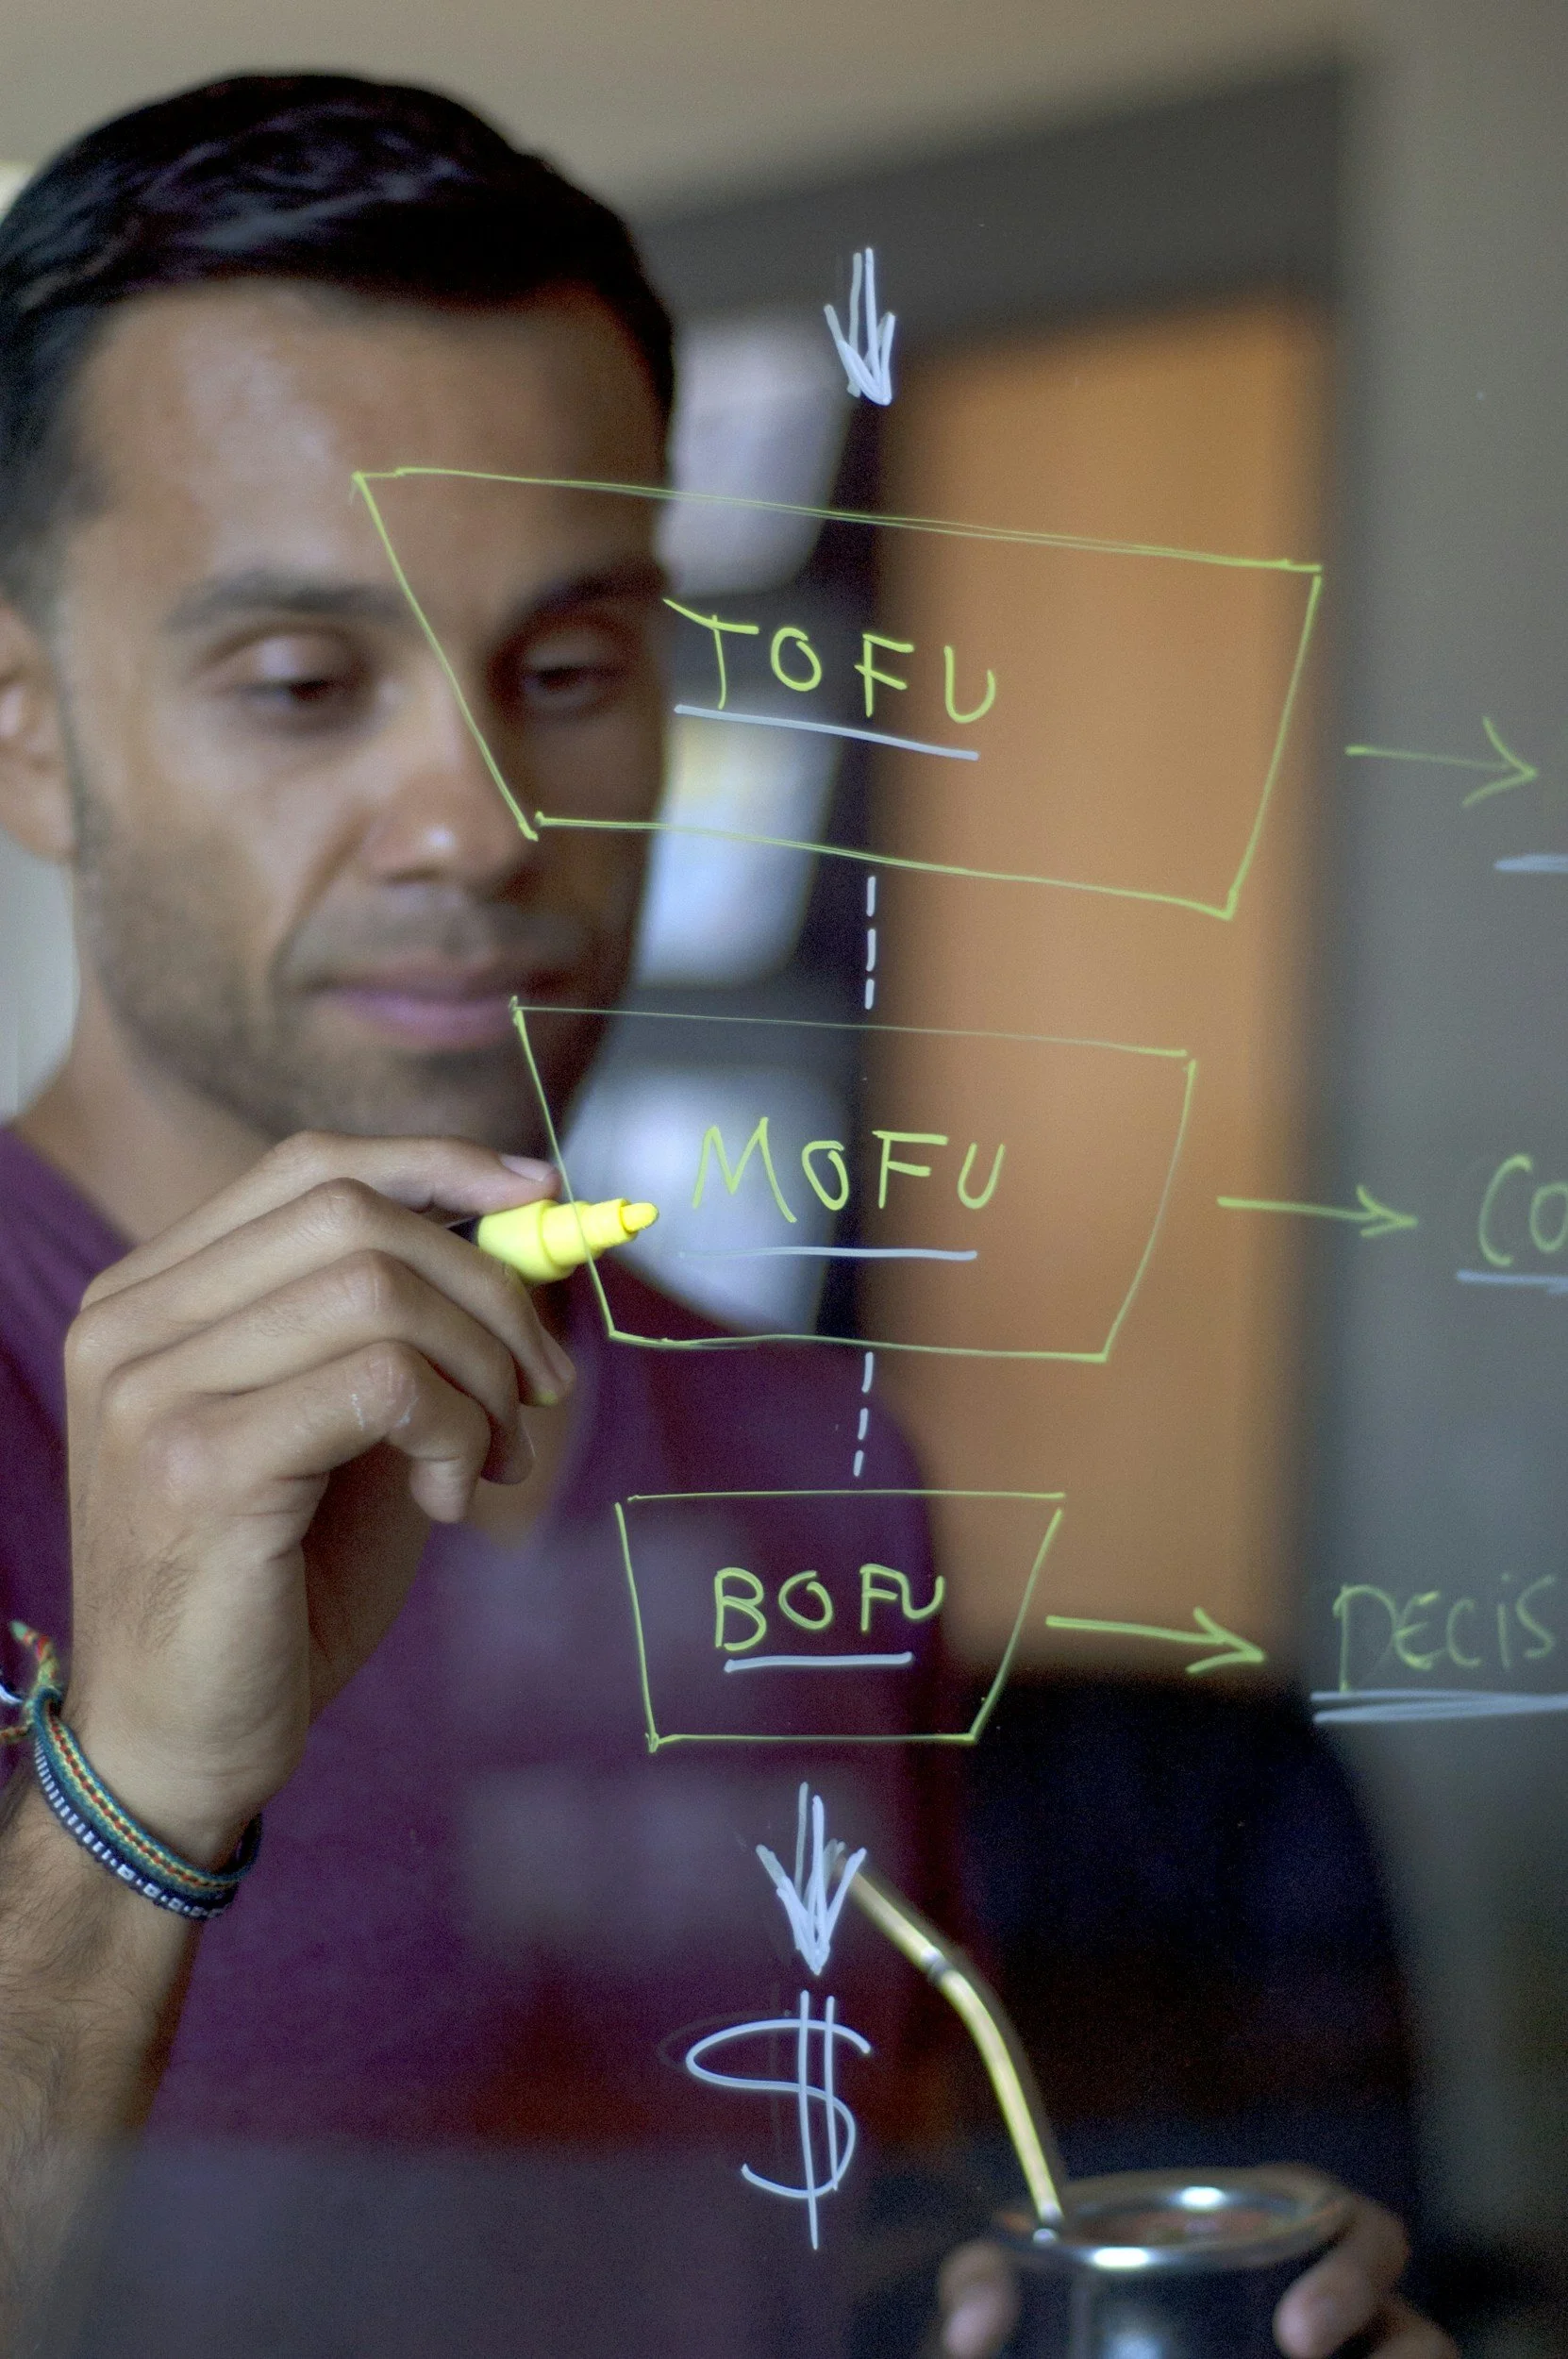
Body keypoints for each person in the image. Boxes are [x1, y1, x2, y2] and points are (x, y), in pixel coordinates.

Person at [0, 74, 1449, 2359]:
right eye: (301, 683)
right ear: (27, 731)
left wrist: (1032, 2307)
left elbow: (811, 2225)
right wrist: (128, 1807)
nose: (478, 825)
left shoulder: (803, 1438)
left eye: (568, 671)